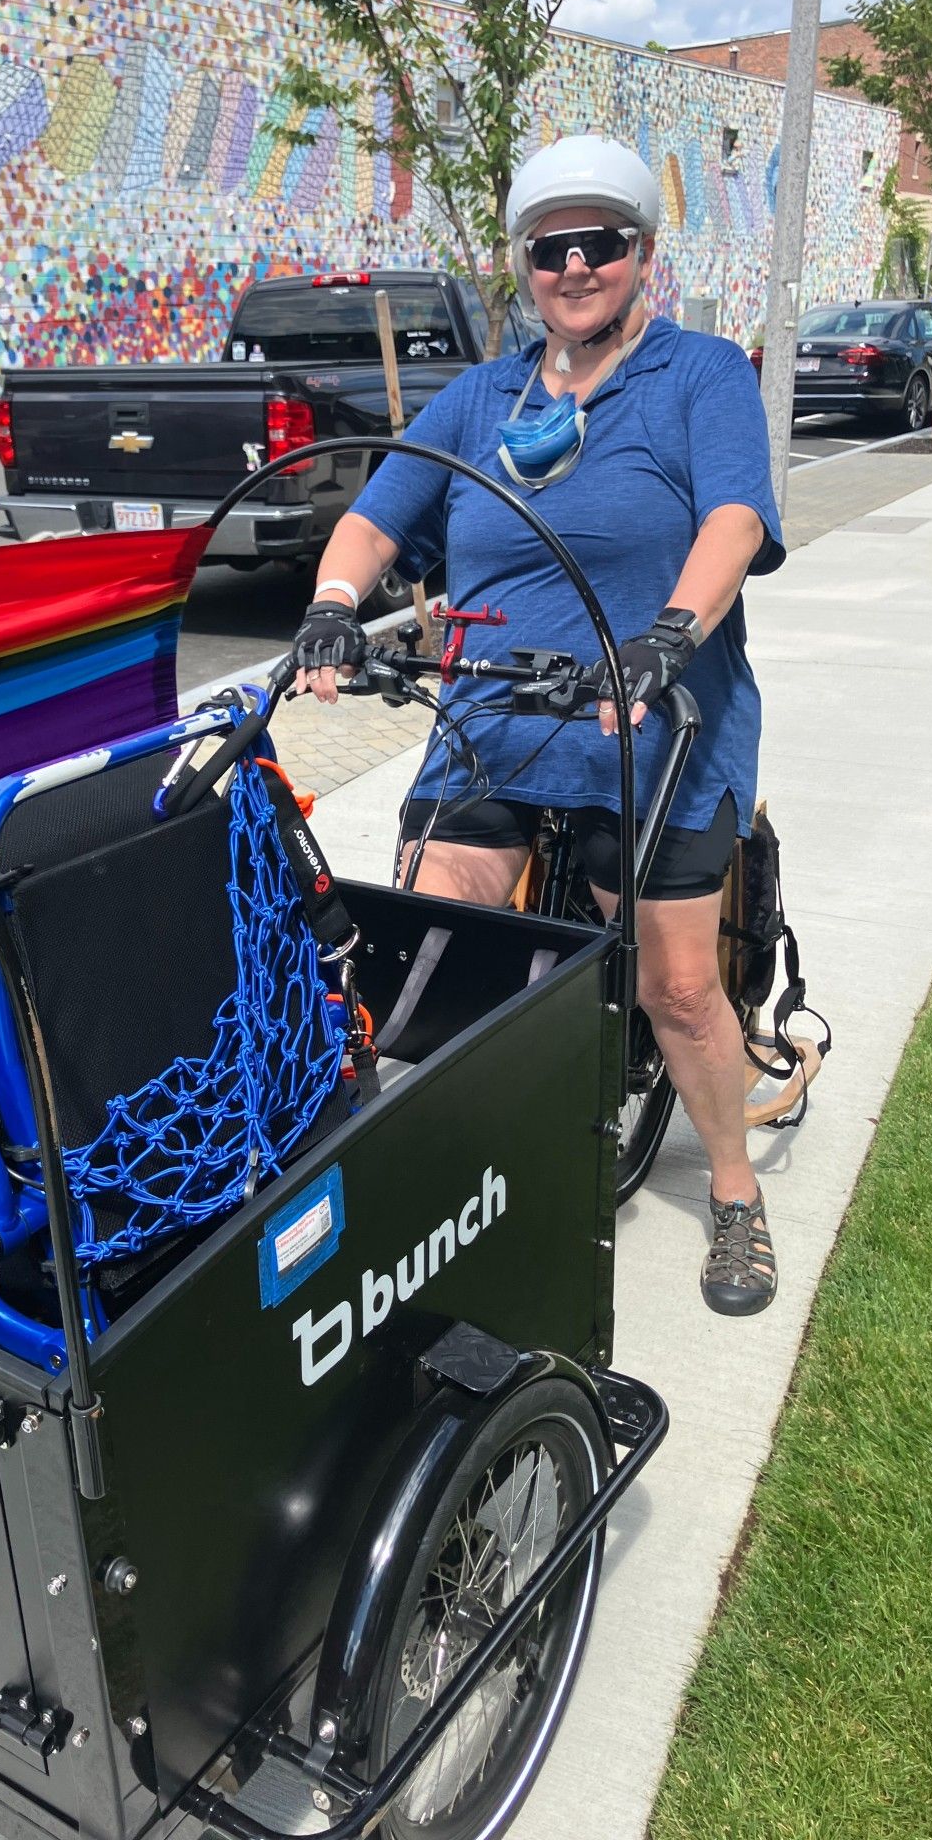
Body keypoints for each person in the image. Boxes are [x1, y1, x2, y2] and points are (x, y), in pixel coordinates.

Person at [290, 133, 786, 1316]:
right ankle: (461, 1165)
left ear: (641, 256)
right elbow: (375, 515)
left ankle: (732, 1193)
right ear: (525, 265)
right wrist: (329, 605)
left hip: (657, 724)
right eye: (551, 248)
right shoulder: (481, 397)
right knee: (435, 937)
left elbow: (733, 516)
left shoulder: (698, 375)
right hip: (498, 720)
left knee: (674, 986)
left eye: (599, 243)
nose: (575, 267)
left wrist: (671, 631)